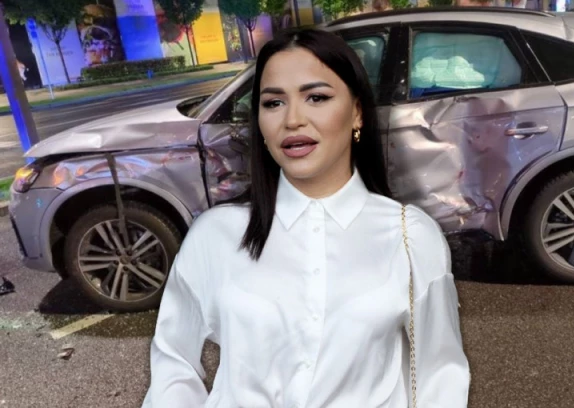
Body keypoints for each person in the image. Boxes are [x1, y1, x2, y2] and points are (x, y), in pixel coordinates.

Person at [142, 28, 470, 408]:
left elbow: (440, 375)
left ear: (357, 112)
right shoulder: (215, 235)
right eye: (273, 103)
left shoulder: (410, 236)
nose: (293, 119)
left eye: (316, 97)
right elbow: (173, 362)